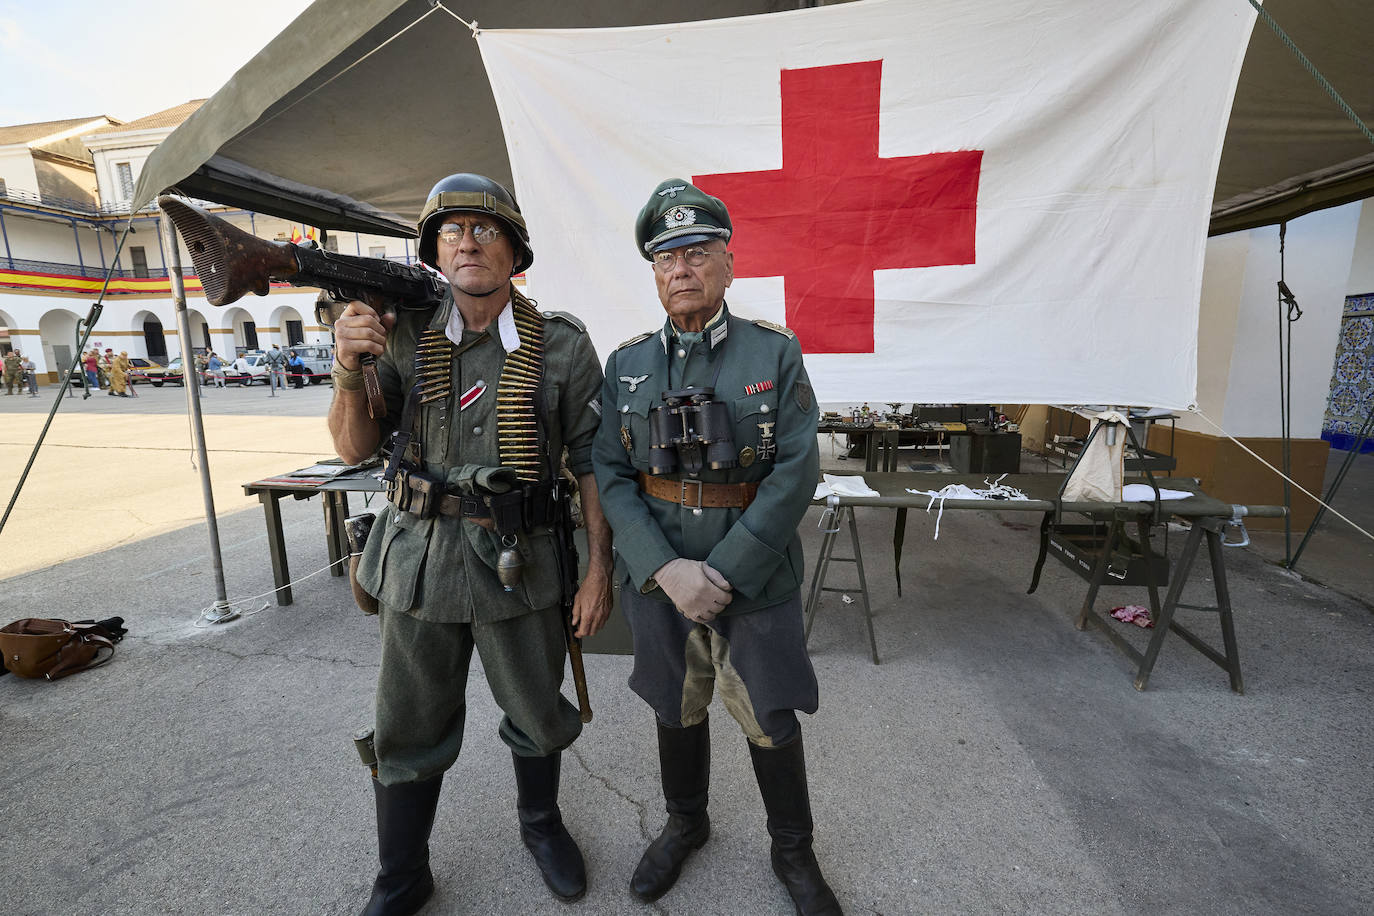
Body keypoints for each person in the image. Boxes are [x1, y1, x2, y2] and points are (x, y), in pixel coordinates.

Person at [328, 172, 613, 915]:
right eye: (451, 231)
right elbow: (354, 446)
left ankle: (541, 824)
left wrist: (598, 572)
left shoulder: (561, 347)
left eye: (485, 230)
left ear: (516, 252)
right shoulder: (398, 335)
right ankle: (401, 873)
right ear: (432, 252)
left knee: (536, 710)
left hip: (523, 558)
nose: (467, 242)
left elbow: (591, 464)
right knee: (408, 722)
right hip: (418, 558)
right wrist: (345, 370)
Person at [592, 179, 839, 914]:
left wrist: (722, 573)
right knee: (675, 705)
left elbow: (798, 470)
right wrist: (664, 568)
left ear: (728, 263)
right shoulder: (628, 364)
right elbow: (609, 470)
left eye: (697, 253)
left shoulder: (774, 351)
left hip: (752, 579)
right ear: (655, 274)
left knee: (771, 714)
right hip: (661, 579)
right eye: (667, 260)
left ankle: (793, 851)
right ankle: (685, 824)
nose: (681, 270)